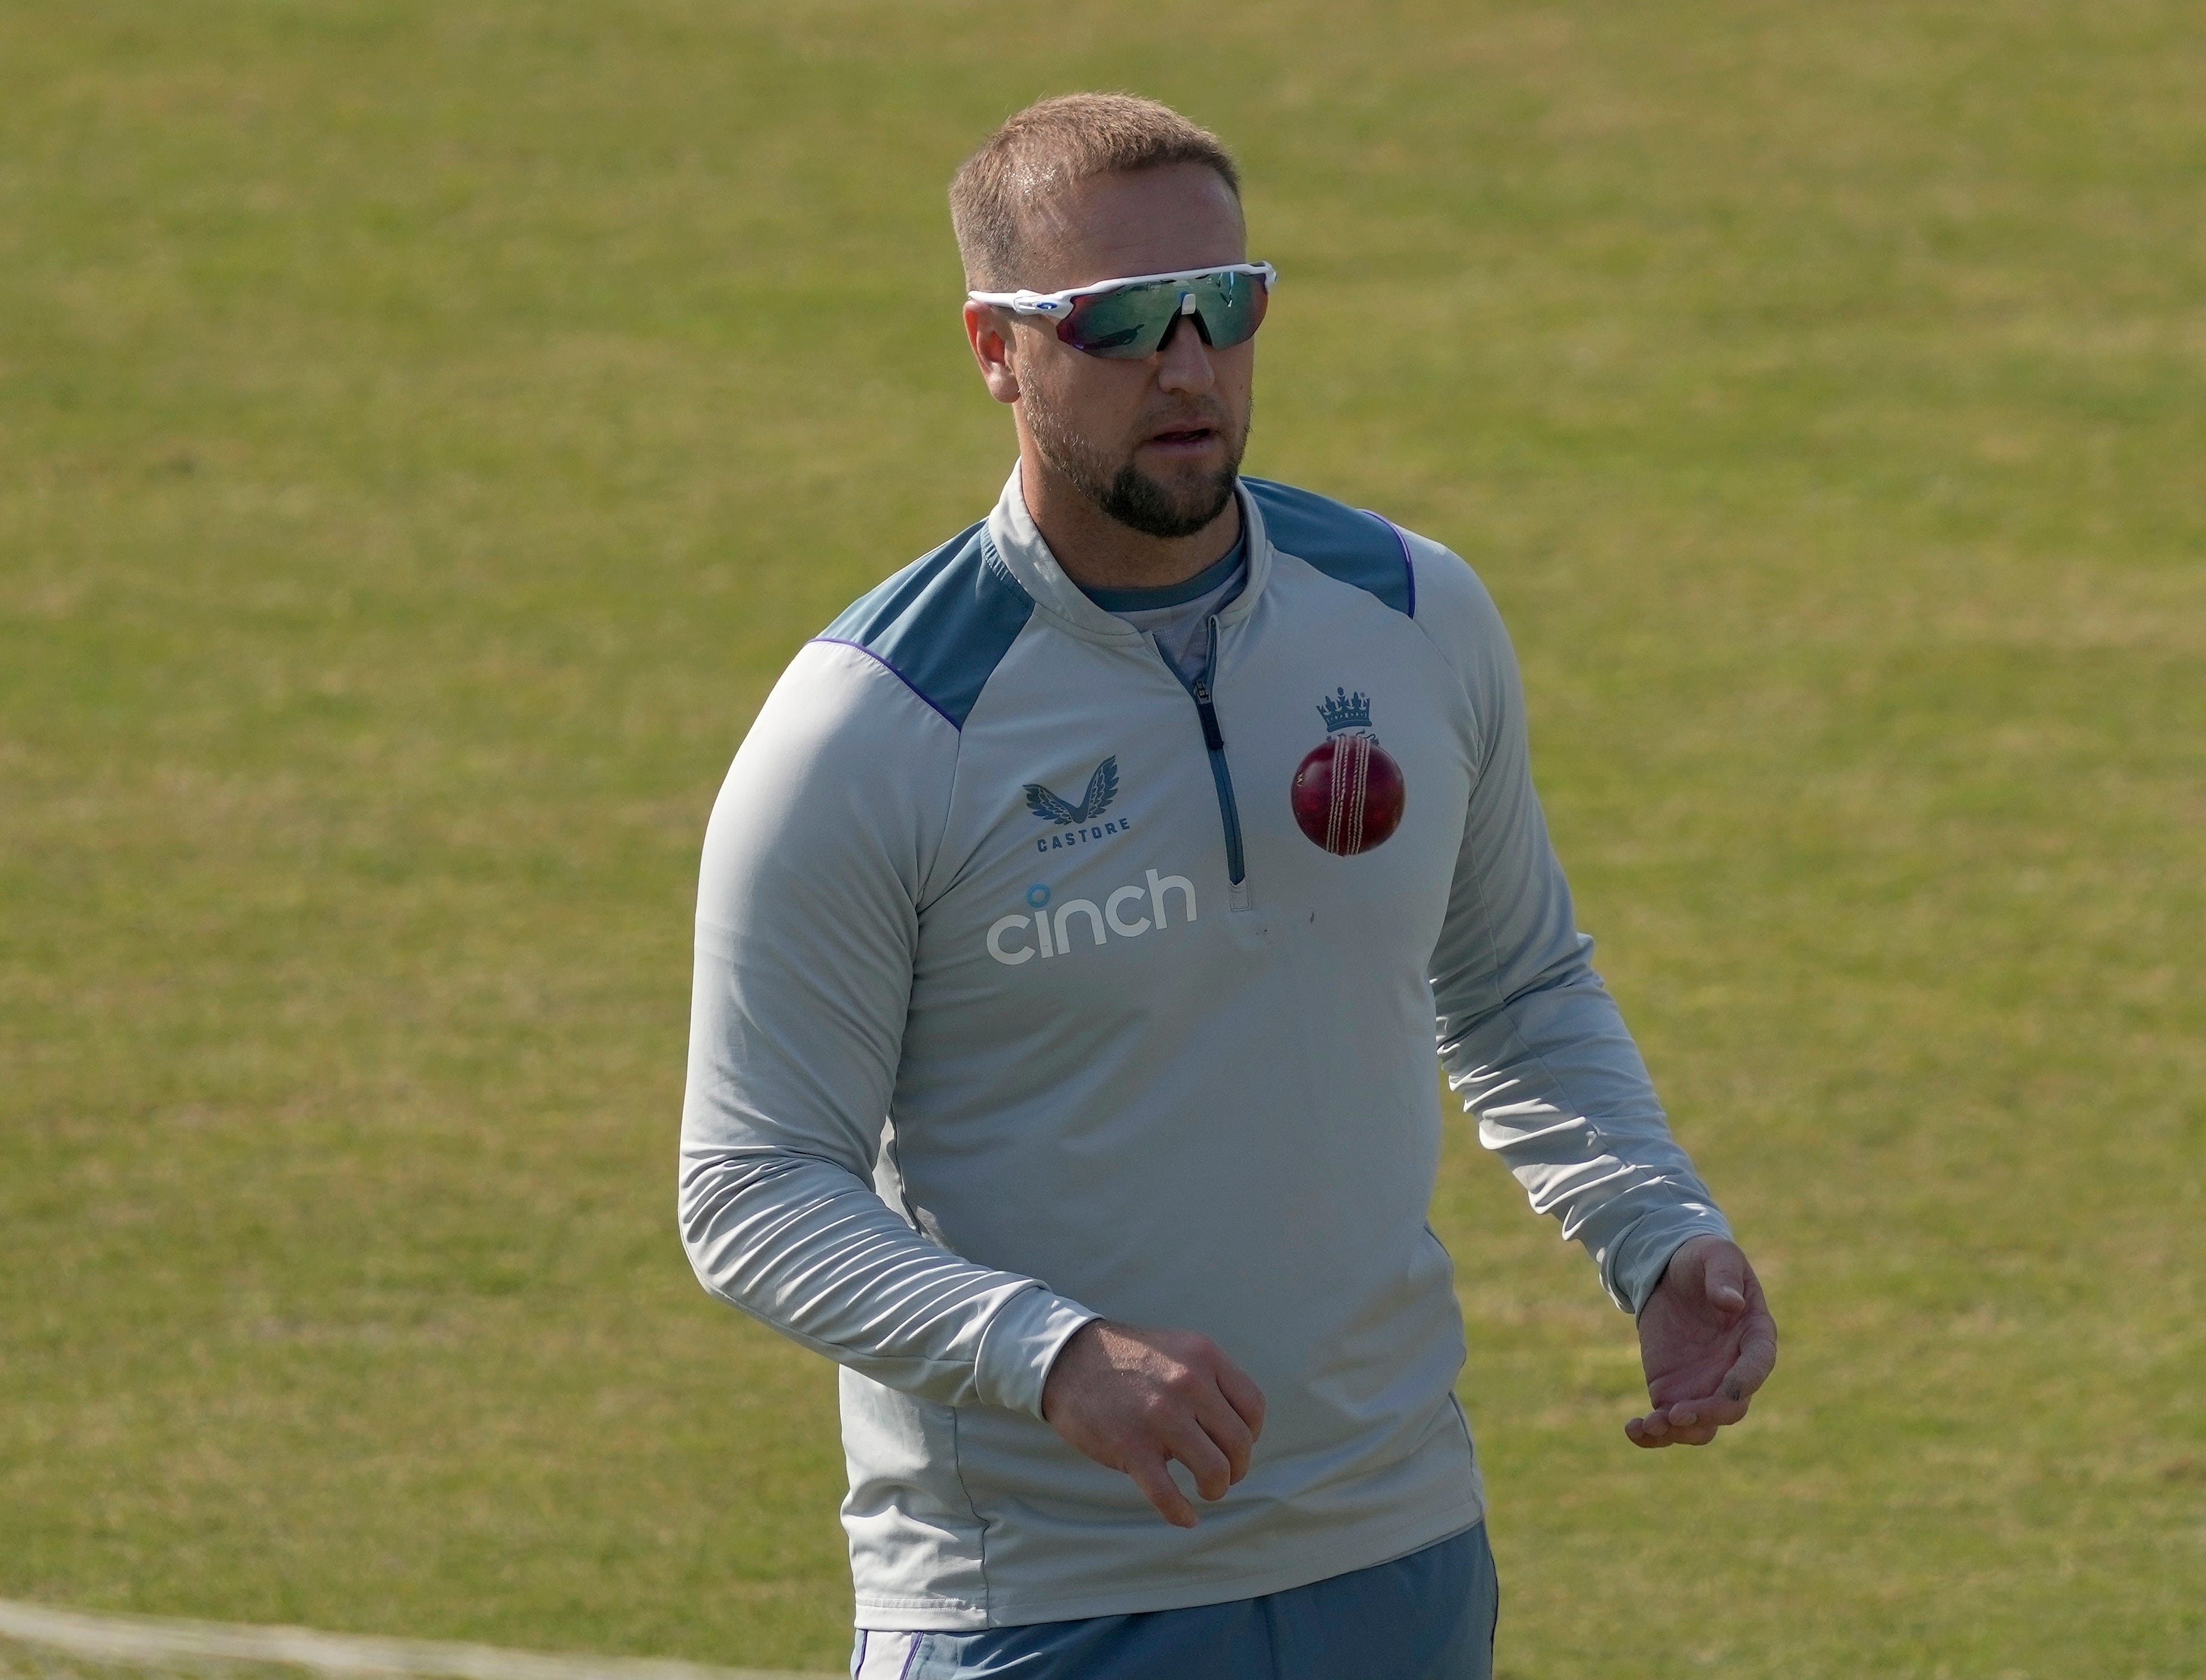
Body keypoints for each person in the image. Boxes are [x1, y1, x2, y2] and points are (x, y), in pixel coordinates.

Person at [677, 93, 1777, 1680]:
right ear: (994, 348)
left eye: (1226, 306)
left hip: (1397, 1559)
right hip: (1041, 1601)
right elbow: (754, 1192)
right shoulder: (875, 733)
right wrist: (1050, 1358)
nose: (1187, 365)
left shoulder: (1410, 613)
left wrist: (1653, 1233)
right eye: (1121, 322)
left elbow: (1515, 982)